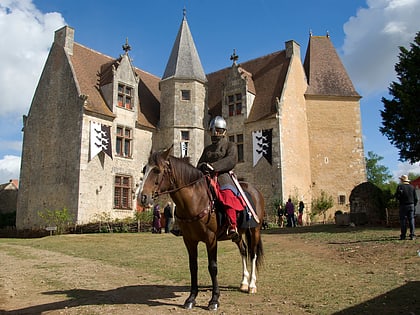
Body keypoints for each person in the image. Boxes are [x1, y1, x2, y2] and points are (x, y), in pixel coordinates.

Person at [197, 116, 243, 241]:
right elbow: (199, 164)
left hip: (223, 176)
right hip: (206, 178)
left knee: (227, 195)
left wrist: (213, 166)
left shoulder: (230, 145)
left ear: (223, 131)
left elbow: (231, 160)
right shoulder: (207, 149)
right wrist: (203, 166)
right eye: (213, 130)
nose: (215, 133)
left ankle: (232, 225)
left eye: (218, 130)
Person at [395, 175, 417, 240]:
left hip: (403, 205)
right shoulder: (412, 187)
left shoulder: (400, 187)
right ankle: (412, 235)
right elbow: (415, 198)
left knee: (403, 220)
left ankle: (403, 235)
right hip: (411, 205)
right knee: (411, 220)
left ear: (402, 180)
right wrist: (414, 205)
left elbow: (397, 196)